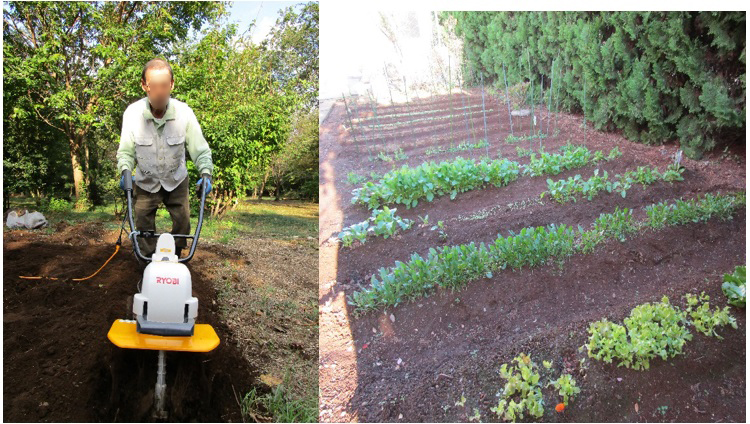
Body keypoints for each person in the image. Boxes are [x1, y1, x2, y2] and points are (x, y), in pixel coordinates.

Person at [116, 58, 213, 258]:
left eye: (164, 85)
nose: (159, 92)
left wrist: (206, 173)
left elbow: (199, 148)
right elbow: (126, 150)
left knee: (183, 223)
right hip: (146, 180)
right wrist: (125, 171)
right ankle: (146, 263)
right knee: (143, 226)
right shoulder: (133, 114)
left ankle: (177, 256)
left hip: (176, 179)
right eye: (154, 86)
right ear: (144, 85)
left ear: (172, 85)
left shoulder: (184, 113)